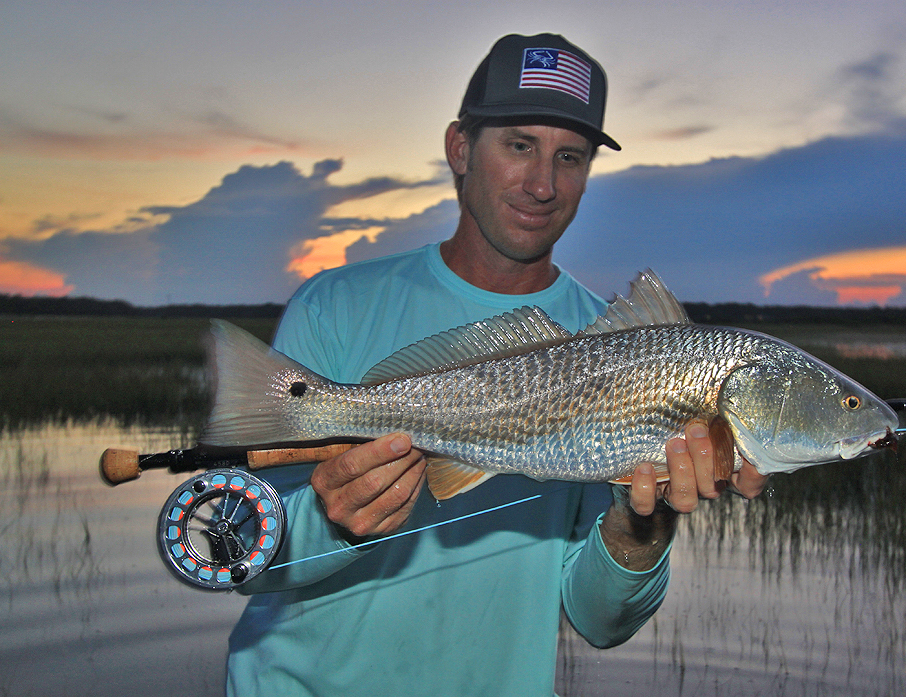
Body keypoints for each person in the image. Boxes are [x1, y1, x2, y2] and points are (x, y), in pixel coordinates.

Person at [225, 33, 768, 696]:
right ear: (460, 148)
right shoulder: (335, 304)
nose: (542, 183)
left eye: (568, 156)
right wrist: (332, 516)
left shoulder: (625, 345)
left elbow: (598, 619)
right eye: (518, 145)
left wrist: (640, 525)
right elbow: (246, 548)